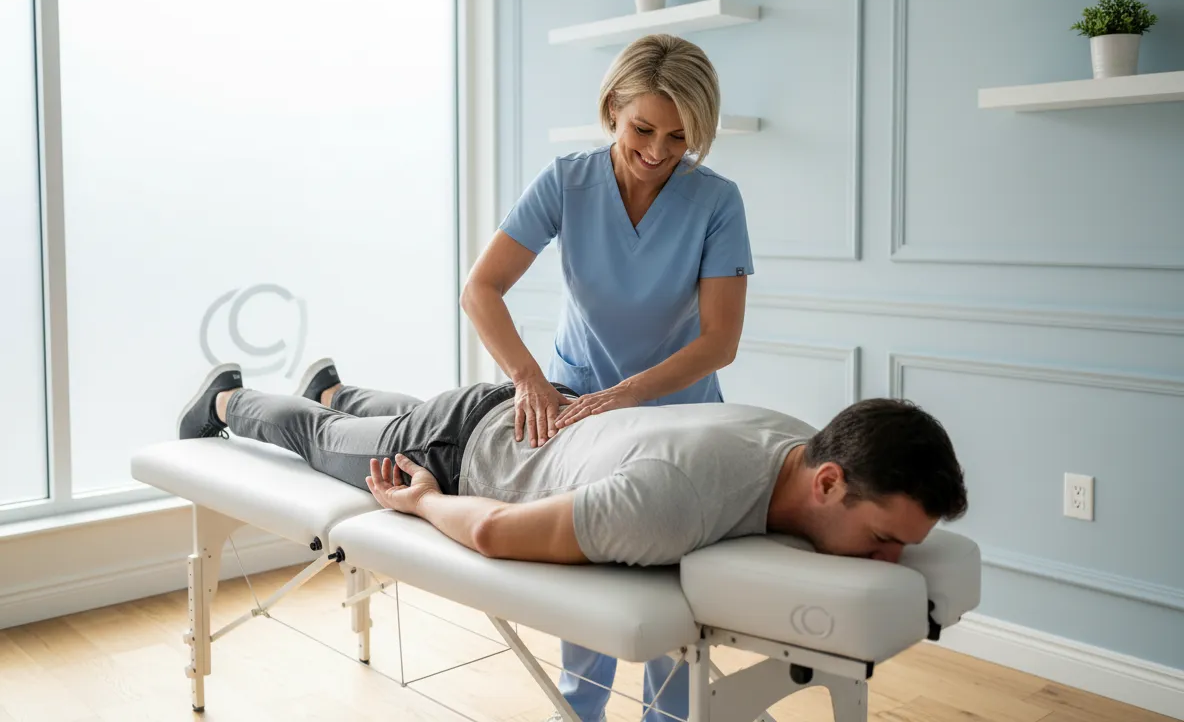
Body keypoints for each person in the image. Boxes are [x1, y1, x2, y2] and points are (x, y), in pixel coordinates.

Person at [460, 33, 754, 721]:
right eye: (642, 129)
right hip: (573, 405)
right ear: (611, 110)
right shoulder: (568, 181)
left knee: (664, 591)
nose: (657, 152)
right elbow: (482, 289)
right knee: (585, 571)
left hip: (677, 417)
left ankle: (671, 716)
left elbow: (720, 341)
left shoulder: (717, 202)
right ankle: (579, 711)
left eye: (680, 138)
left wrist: (624, 395)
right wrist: (529, 378)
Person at [180, 357, 969, 571]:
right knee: (325, 443)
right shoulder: (674, 500)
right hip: (462, 451)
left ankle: (338, 385)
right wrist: (420, 503)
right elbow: (492, 533)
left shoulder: (801, 435)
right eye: (881, 540)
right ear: (829, 481)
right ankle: (225, 399)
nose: (892, 560)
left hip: (541, 414)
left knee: (392, 415)